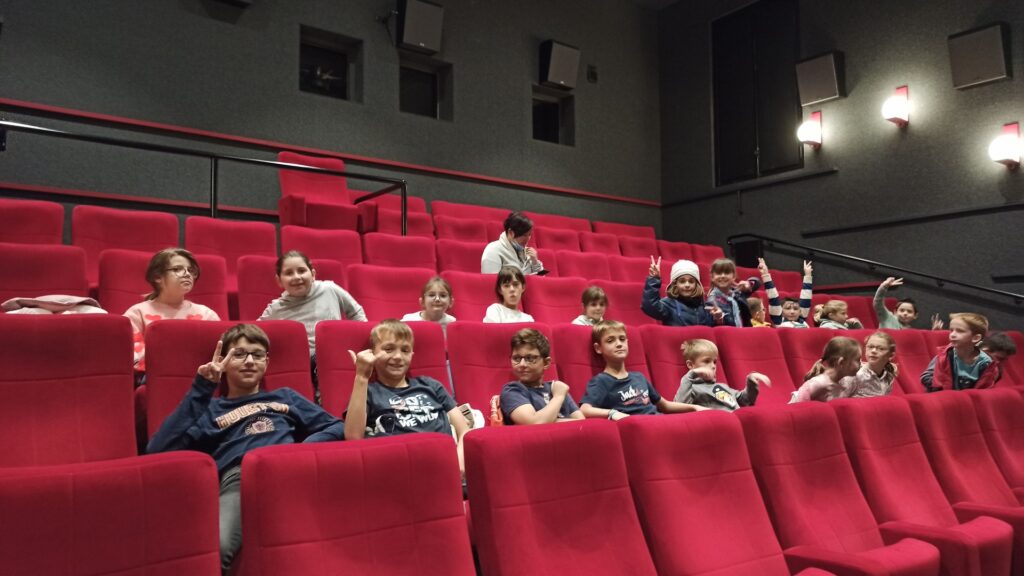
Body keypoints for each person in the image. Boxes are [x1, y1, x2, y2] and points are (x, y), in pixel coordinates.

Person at [147, 324, 344, 572]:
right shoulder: (210, 409)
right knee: (215, 549)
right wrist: (201, 388)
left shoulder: (285, 397)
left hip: (291, 474)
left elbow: (337, 426)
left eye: (257, 355)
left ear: (266, 362)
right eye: (239, 354)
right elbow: (158, 449)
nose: (249, 361)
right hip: (240, 479)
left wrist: (301, 450)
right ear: (224, 361)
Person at [345, 319, 469, 471]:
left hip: (446, 464)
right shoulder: (368, 392)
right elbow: (353, 437)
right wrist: (361, 377)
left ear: (412, 354)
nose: (398, 356)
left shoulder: (431, 385)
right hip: (400, 469)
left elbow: (464, 431)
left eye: (405, 350)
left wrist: (459, 462)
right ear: (373, 353)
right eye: (389, 349)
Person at [580, 320, 705, 419]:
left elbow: (665, 405)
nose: (619, 344)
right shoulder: (601, 381)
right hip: (639, 429)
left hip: (658, 421)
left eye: (622, 339)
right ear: (598, 348)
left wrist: (695, 407)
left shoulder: (639, 377)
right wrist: (612, 413)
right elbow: (584, 409)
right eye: (610, 340)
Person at [125, 248, 220, 376]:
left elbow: (218, 353)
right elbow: (132, 355)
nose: (187, 274)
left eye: (191, 270)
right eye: (177, 269)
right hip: (154, 377)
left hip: (198, 375)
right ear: (157, 276)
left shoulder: (207, 314)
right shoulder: (137, 312)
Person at [499, 329, 584, 424]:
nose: (522, 364)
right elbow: (534, 423)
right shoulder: (512, 390)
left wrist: (551, 420)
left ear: (546, 363)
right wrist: (558, 397)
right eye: (516, 358)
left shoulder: (556, 388)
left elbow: (581, 423)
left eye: (530, 358)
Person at [674, 339, 770, 411]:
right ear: (690, 365)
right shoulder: (692, 389)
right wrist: (691, 375)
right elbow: (679, 406)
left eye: (714, 362)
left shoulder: (722, 386)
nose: (713, 366)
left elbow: (745, 401)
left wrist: (751, 382)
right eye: (706, 361)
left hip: (738, 420)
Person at [921, 313, 1000, 391]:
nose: (952, 335)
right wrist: (940, 387)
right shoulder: (944, 355)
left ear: (976, 338)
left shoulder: (986, 363)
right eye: (951, 330)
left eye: (960, 331)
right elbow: (926, 376)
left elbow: (984, 388)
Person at [642, 257, 722, 327]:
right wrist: (654, 279)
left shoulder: (704, 307)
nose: (687, 285)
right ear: (675, 284)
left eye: (691, 281)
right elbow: (650, 307)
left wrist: (718, 319)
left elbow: (711, 329)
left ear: (696, 284)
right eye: (682, 281)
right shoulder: (668, 304)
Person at [790, 336, 862, 403]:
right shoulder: (819, 383)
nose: (861, 364)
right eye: (858, 360)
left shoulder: (845, 381)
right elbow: (799, 407)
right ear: (841, 362)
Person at [480, 211, 544, 275]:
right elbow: (491, 279)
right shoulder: (493, 250)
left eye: (529, 235)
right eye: (524, 235)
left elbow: (542, 278)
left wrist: (535, 262)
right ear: (510, 233)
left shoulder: (528, 253)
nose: (527, 239)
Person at [706, 258, 761, 327]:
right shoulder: (712, 301)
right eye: (718, 273)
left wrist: (748, 284)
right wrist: (719, 319)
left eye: (727, 273)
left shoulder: (737, 294)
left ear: (734, 276)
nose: (723, 276)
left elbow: (757, 283)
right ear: (712, 277)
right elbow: (711, 325)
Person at [758, 258, 813, 328]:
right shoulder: (779, 320)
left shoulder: (802, 320)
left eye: (795, 309)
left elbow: (806, 299)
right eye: (788, 308)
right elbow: (773, 297)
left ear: (800, 312)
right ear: (781, 311)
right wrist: (765, 274)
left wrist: (808, 275)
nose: (792, 312)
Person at [841, 332, 898, 398]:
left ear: (891, 355)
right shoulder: (854, 375)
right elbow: (838, 401)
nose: (873, 351)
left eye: (881, 348)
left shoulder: (889, 376)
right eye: (870, 347)